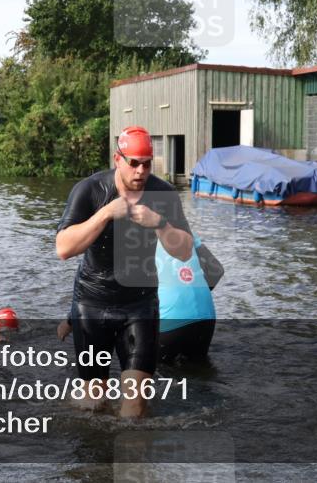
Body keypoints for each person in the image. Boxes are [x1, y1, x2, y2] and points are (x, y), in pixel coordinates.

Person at [55, 126, 193, 418]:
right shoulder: (90, 190)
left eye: (147, 163)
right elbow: (64, 249)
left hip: (139, 304)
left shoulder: (162, 193)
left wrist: (160, 224)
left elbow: (185, 251)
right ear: (118, 159)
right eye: (134, 163)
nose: (141, 171)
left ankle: (132, 457)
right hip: (92, 304)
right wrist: (105, 214)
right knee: (94, 402)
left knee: (136, 403)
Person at [58, 236, 222, 364]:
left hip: (169, 319)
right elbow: (216, 270)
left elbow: (104, 288)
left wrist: (71, 320)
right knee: (199, 373)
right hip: (205, 314)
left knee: (155, 379)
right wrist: (189, 298)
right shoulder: (182, 228)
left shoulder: (127, 239)